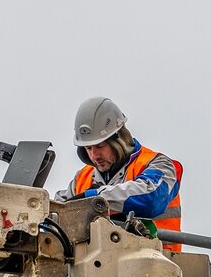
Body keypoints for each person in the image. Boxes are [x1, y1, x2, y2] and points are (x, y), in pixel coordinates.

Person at [54, 97, 183, 252]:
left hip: (157, 263)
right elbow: (57, 211)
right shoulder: (82, 179)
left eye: (100, 146)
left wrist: (95, 198)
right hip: (100, 266)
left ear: (119, 140)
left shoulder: (161, 165)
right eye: (88, 149)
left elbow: (151, 199)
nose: (94, 156)